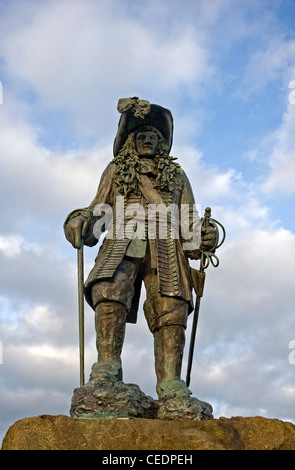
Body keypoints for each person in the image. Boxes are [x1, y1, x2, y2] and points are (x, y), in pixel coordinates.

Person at [64, 97, 215, 415]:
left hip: (167, 246)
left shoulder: (177, 177)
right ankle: (106, 368)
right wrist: (82, 220)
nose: (147, 140)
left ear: (162, 143)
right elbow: (99, 209)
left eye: (152, 136)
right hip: (124, 239)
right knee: (110, 292)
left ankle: (172, 384)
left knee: (171, 308)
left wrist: (205, 234)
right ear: (130, 143)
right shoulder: (117, 171)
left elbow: (189, 223)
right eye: (140, 136)